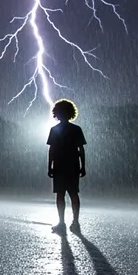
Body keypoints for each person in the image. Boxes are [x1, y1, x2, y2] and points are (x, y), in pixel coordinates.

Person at [46, 98, 86, 233]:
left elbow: (51, 150)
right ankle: (75, 222)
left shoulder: (54, 129)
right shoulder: (76, 129)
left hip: (60, 165)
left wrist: (49, 166)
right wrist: (83, 166)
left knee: (60, 194)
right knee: (73, 194)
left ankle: (62, 223)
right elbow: (81, 150)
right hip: (72, 164)